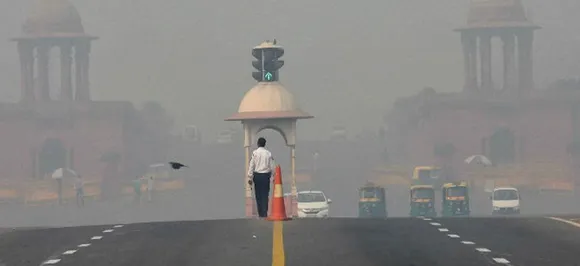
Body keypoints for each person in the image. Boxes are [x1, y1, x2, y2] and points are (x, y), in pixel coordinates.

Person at [247, 137, 276, 218]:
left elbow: (251, 165)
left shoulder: (255, 153)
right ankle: (264, 212)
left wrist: (249, 177)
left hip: (257, 176)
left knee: (258, 195)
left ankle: (260, 213)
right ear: (264, 144)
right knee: (265, 194)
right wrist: (274, 176)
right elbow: (272, 166)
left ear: (258, 144)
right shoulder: (268, 153)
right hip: (266, 176)